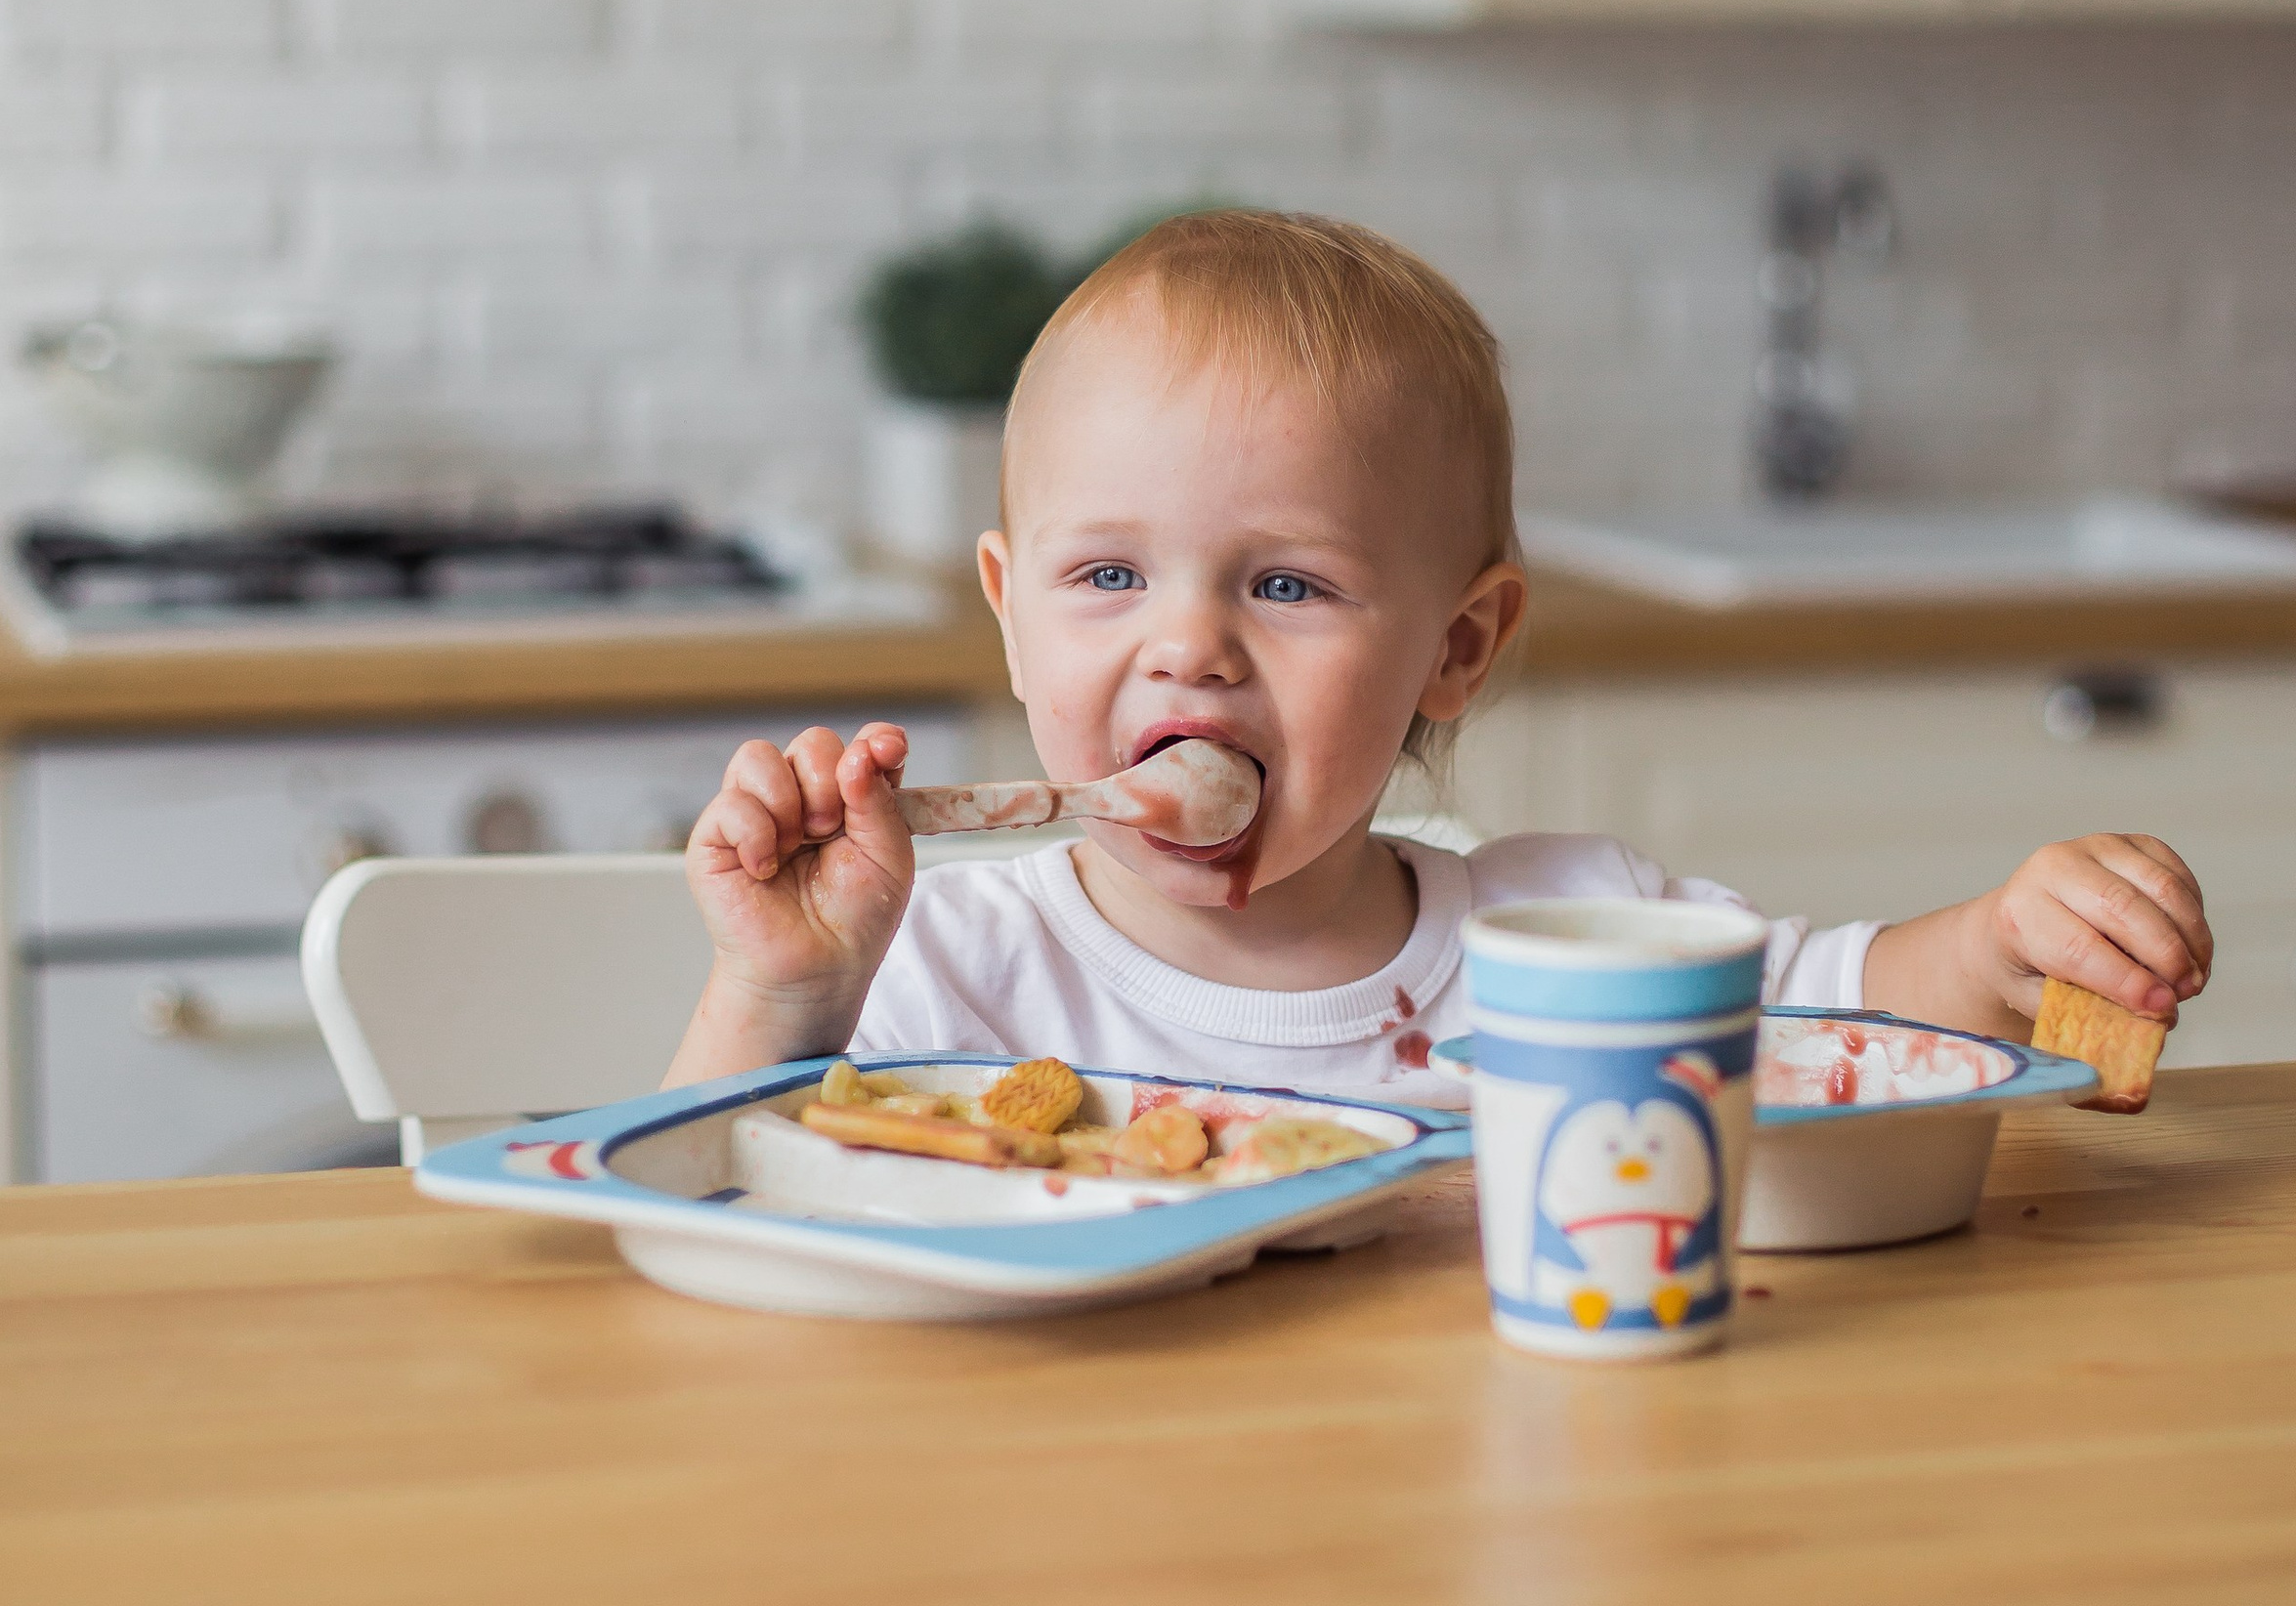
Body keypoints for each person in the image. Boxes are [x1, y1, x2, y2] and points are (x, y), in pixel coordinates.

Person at [664, 212, 2211, 1102]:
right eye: (1109, 573)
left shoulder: (1572, 937)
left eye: (1284, 584)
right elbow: (708, 1200)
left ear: (1456, 649)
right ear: (1008, 610)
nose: (1187, 646)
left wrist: (2008, 945)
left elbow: (1859, 1012)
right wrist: (783, 995)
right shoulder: (949, 966)